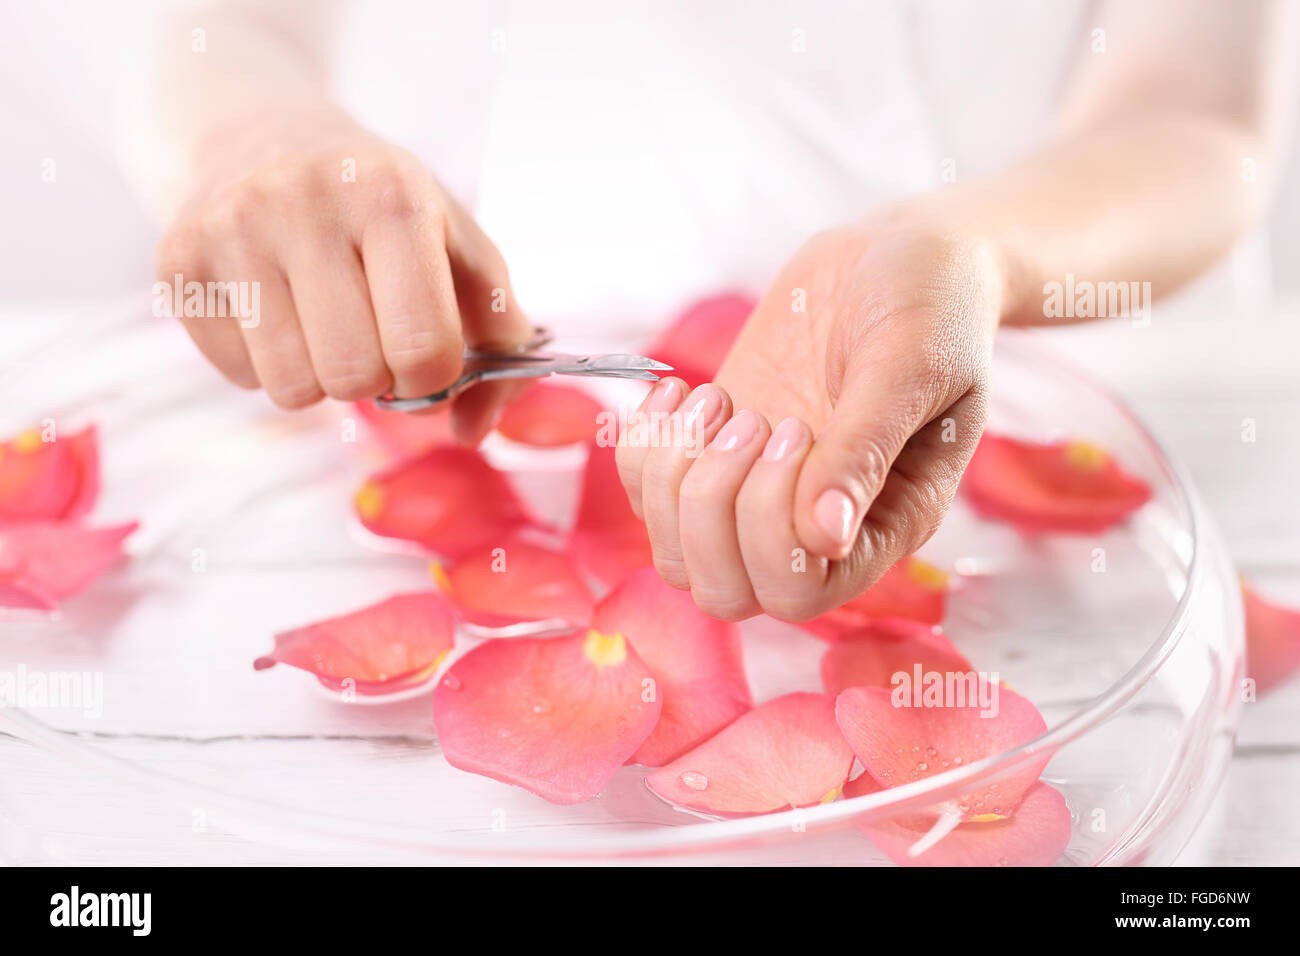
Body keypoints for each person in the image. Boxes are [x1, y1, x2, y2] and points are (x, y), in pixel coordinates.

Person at [128, 0, 1295, 622]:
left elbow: (1192, 118)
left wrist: (971, 253)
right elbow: (213, 21)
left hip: (1058, 390)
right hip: (450, 340)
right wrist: (253, 139)